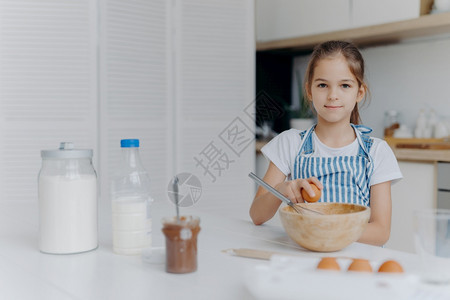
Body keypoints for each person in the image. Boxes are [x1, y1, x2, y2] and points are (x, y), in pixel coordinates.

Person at [249, 40, 402, 246]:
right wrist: (282, 189)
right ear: (309, 91)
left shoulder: (376, 152)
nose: (332, 95)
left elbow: (380, 232)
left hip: (356, 263)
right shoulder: (290, 143)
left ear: (359, 92)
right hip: (303, 256)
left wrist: (324, 228)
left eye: (345, 85)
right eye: (322, 85)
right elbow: (257, 215)